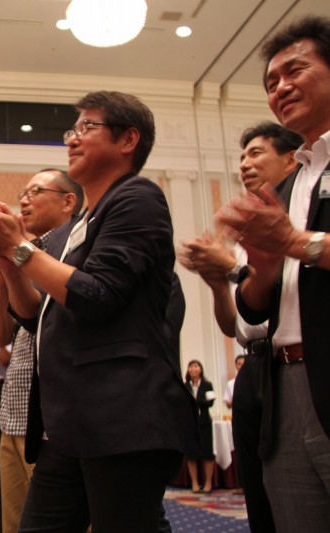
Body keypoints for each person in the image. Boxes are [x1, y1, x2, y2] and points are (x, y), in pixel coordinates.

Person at [0, 90, 198, 532]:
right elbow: (36, 318)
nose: (72, 138)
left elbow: (97, 295)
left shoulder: (137, 197)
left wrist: (18, 247)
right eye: (72, 129)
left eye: (87, 127)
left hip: (121, 415)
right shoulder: (73, 229)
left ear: (128, 139)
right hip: (69, 420)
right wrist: (8, 264)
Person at [216, 15, 330, 531]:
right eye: (270, 82)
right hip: (281, 384)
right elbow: (256, 308)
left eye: (295, 70)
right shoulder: (292, 184)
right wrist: (258, 270)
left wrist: (294, 243)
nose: (280, 87)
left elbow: (297, 246)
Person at [180, 120, 301, 532]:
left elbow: (283, 294)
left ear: (291, 160)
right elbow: (233, 326)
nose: (245, 163)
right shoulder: (242, 236)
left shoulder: (300, 218)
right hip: (254, 368)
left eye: (256, 153)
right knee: (259, 489)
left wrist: (232, 268)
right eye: (242, 156)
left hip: (293, 363)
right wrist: (218, 284)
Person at [0, 168, 84, 533]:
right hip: (13, 413)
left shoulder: (78, 249)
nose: (24, 201)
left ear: (68, 201)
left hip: (50, 422)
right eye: (22, 194)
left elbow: (56, 319)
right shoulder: (25, 252)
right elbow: (1, 337)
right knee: (14, 524)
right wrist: (1, 278)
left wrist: (16, 254)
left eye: (35, 192)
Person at [184, 360, 217, 493]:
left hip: (204, 422)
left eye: (196, 366)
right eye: (191, 366)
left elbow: (210, 403)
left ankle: (208, 482)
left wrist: (197, 400)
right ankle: (194, 482)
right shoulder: (185, 385)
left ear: (200, 369)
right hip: (190, 423)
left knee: (207, 453)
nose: (193, 369)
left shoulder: (207, 385)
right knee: (191, 453)